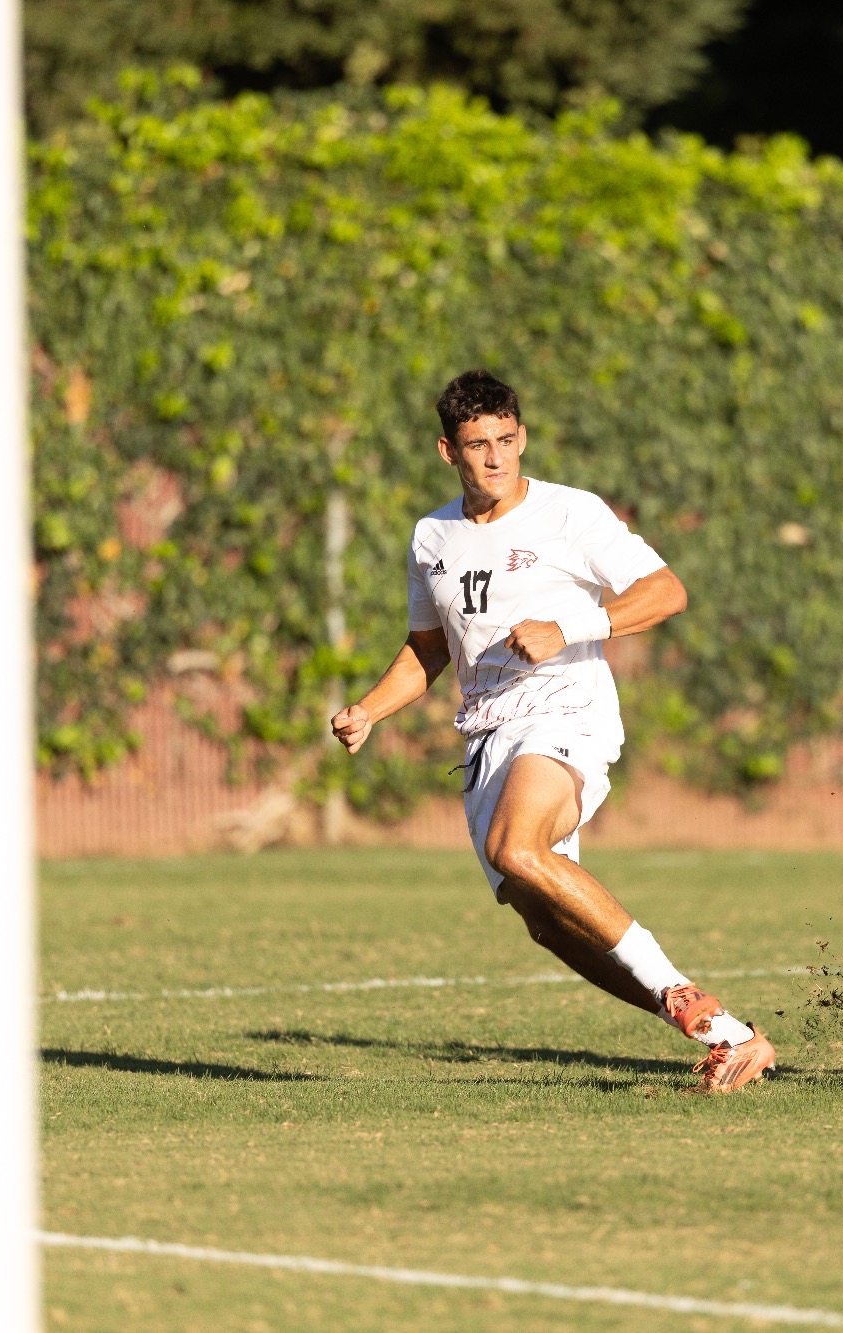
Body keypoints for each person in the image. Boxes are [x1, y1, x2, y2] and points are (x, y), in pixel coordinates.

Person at [332, 369, 776, 1093]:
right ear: (449, 451)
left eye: (507, 440)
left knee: (517, 845)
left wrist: (569, 626)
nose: (497, 458)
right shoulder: (431, 536)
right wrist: (370, 709)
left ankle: (692, 994)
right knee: (543, 918)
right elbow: (429, 646)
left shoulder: (572, 514)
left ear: (523, 436)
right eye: (479, 445)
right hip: (485, 735)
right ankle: (725, 1034)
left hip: (565, 708)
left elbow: (666, 591)